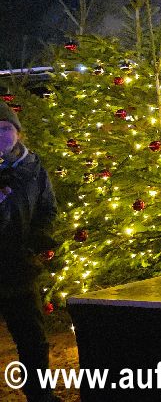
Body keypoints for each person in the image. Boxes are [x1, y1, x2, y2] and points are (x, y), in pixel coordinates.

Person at [0, 102, 63, 402]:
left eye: (5, 128)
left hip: (19, 267)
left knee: (33, 339)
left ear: (18, 132)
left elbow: (47, 208)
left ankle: (40, 395)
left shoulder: (33, 169)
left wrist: (38, 237)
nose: (0, 136)